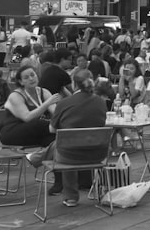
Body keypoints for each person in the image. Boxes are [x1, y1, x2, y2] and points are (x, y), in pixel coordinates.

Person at [29, 69, 109, 208]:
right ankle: (36, 157)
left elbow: (52, 129)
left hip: (69, 156)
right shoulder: (101, 102)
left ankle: (71, 197)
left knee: (64, 145)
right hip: (97, 155)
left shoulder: (64, 103)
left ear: (74, 84)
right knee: (65, 144)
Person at [0, 66, 60, 148]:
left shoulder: (44, 92)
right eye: (26, 77)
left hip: (37, 132)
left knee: (52, 139)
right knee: (37, 124)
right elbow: (27, 118)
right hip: (13, 132)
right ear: (21, 82)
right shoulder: (15, 96)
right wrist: (46, 104)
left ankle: (35, 159)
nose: (31, 79)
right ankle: (58, 130)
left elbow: (55, 113)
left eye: (33, 75)